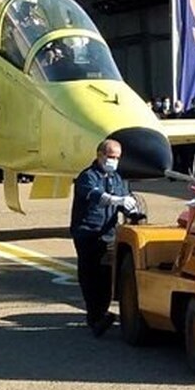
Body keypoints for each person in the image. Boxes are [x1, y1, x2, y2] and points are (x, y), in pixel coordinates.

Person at [70, 138, 136, 337]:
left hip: (108, 235)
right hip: (88, 233)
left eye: (117, 157)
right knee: (90, 277)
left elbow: (125, 201)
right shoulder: (87, 176)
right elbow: (96, 196)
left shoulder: (117, 178)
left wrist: (132, 209)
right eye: (110, 157)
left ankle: (101, 314)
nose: (113, 161)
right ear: (100, 155)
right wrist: (116, 200)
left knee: (107, 276)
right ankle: (95, 317)